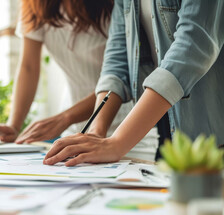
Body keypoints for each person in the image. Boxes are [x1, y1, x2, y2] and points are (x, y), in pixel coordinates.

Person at [43, 0, 224, 166]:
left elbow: (192, 47)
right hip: (168, 128)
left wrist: (117, 142)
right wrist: (96, 131)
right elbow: (117, 60)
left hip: (211, 129)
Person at [0, 0, 159, 160]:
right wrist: (14, 126)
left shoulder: (114, 5)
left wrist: (66, 117)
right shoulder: (35, 5)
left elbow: (120, 75)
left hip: (128, 127)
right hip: (75, 131)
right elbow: (28, 67)